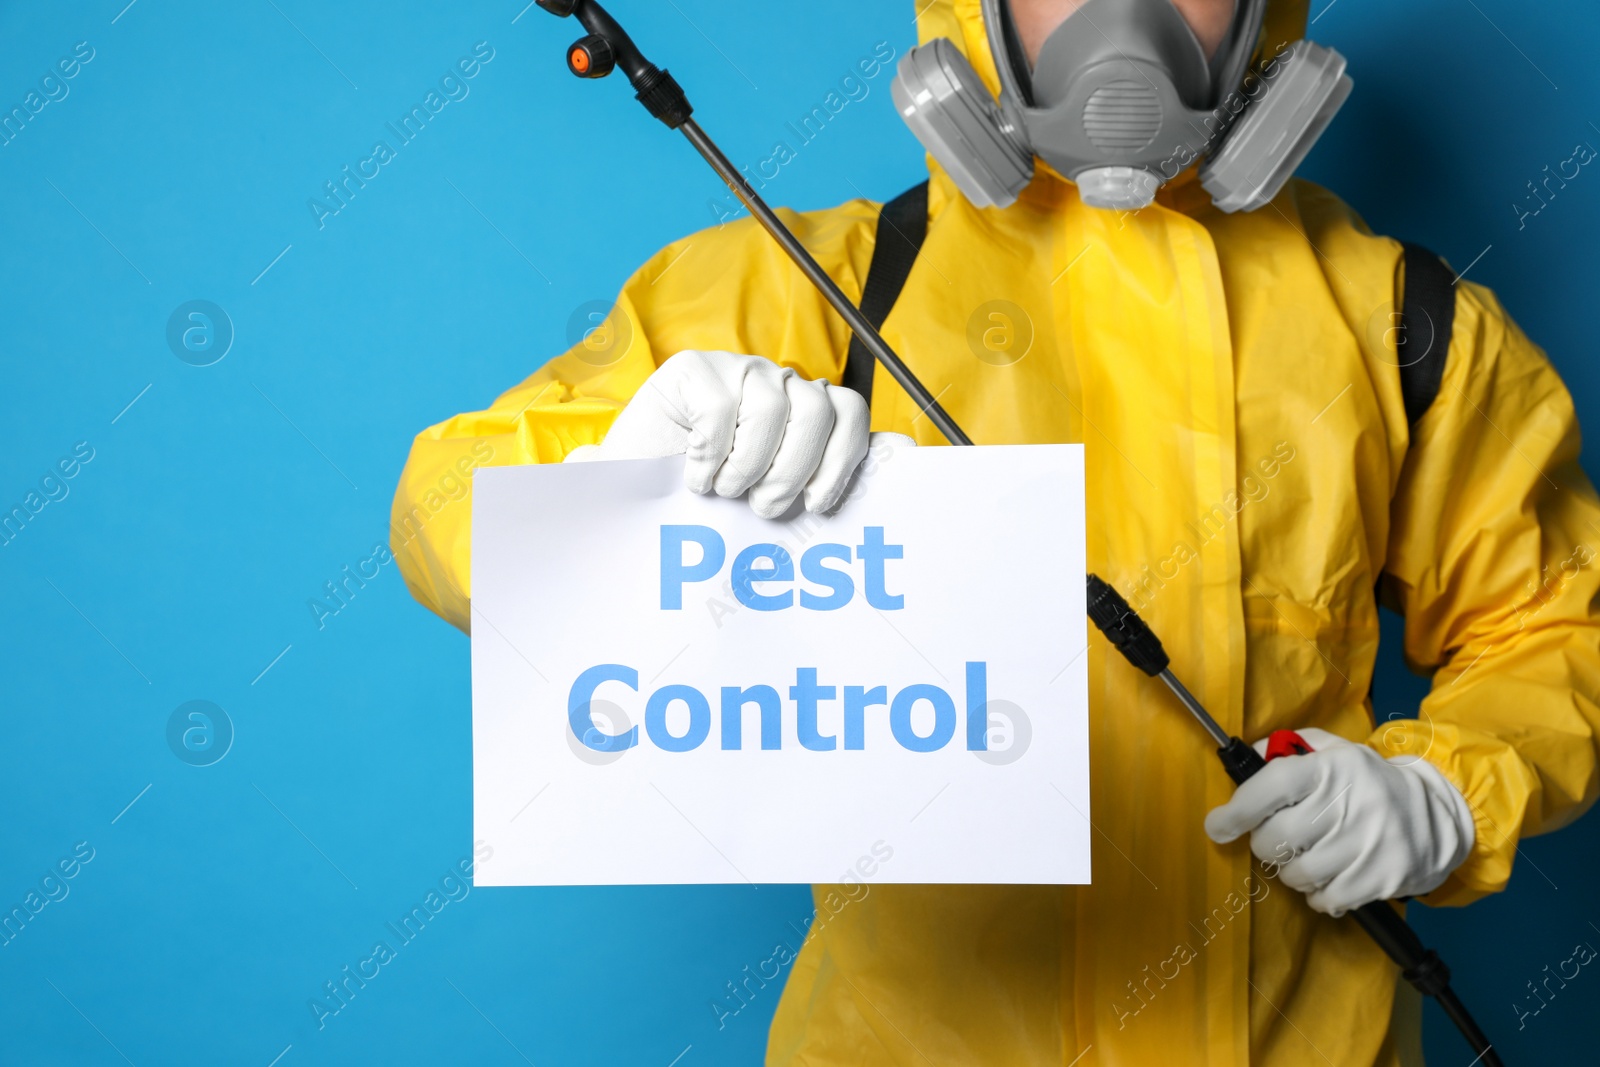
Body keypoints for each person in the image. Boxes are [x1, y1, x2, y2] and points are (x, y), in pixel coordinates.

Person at [391, 0, 1600, 1062]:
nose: (1121, 22)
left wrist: (1442, 792)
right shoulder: (824, 290)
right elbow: (449, 502)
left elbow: (1555, 623)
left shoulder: (1402, 322)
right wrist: (624, 474)